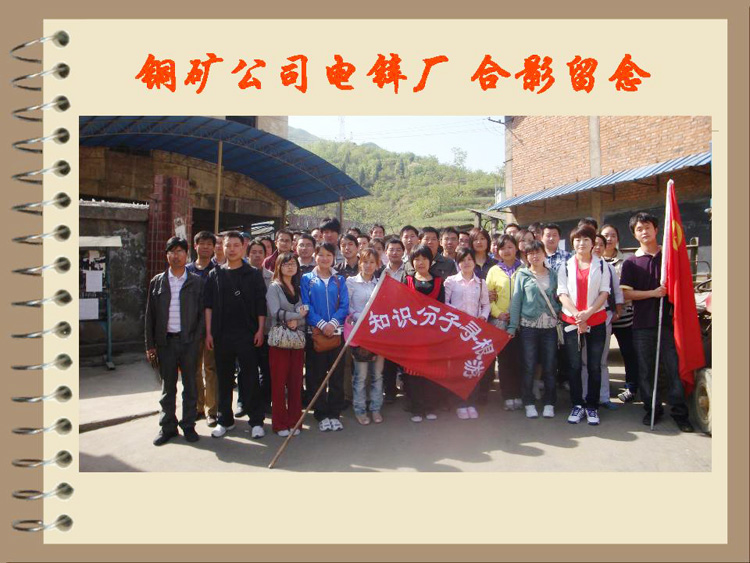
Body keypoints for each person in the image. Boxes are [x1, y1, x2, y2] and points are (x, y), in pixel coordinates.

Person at [619, 212, 694, 432]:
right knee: (646, 370)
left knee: (673, 368)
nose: (644, 232)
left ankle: (679, 412)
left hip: (669, 324)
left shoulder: (670, 257)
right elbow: (626, 295)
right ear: (634, 234)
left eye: (647, 227)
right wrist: (653, 293)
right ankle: (652, 409)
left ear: (656, 229)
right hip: (642, 325)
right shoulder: (631, 262)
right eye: (639, 229)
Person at [204, 231, 268, 439]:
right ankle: (225, 420)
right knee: (223, 378)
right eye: (227, 245)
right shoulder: (215, 274)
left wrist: (260, 329)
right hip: (222, 335)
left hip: (247, 334)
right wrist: (209, 333)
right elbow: (208, 306)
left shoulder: (253, 274)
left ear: (243, 248)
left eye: (235, 245)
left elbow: (261, 304)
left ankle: (256, 420)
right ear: (222, 248)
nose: (231, 249)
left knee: (250, 377)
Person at [145, 237, 204, 446]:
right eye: (172, 251)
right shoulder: (157, 282)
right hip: (166, 343)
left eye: (180, 251)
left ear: (187, 254)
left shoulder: (196, 281)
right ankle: (167, 427)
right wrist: (150, 345)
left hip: (189, 343)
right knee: (168, 387)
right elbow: (150, 316)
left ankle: (188, 425)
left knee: (190, 386)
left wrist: (196, 339)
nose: (176, 255)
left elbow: (202, 315)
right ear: (166, 255)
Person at [557, 225, 610, 426]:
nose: (582, 243)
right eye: (577, 240)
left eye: (586, 239)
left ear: (592, 243)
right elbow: (562, 293)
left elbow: (604, 292)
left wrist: (588, 313)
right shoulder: (565, 265)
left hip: (596, 320)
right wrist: (578, 316)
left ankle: (592, 406)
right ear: (573, 243)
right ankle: (577, 404)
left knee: (595, 366)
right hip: (572, 322)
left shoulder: (602, 265)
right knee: (574, 365)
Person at [508, 241, 561, 419]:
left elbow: (560, 298)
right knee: (528, 366)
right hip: (529, 327)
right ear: (526, 256)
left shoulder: (553, 274)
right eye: (530, 253)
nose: (534, 256)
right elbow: (516, 301)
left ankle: (549, 402)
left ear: (544, 254)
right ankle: (528, 402)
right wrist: (512, 326)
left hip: (550, 327)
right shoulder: (522, 275)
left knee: (550, 366)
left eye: (538, 252)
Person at [301, 242, 349, 432]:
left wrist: (333, 323)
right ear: (315, 256)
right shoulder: (307, 279)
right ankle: (321, 414)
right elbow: (306, 305)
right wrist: (322, 324)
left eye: (328, 255)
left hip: (336, 334)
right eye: (320, 254)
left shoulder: (340, 279)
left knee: (336, 376)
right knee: (316, 375)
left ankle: (335, 413)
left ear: (334, 258)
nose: (324, 258)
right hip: (316, 334)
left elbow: (344, 305)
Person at [444, 247, 490, 419]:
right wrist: (457, 314)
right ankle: (459, 403)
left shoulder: (481, 283)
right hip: (456, 330)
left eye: (470, 259)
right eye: (463, 260)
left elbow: (486, 304)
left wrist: (483, 316)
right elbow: (444, 303)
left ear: (474, 262)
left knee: (473, 367)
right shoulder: (451, 281)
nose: (466, 263)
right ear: (458, 263)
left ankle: (471, 402)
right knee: (457, 368)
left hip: (474, 331)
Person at [580, 234, 624, 410]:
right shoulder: (579, 267)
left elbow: (617, 292)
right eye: (595, 244)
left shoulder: (608, 267)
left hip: (604, 318)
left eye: (601, 245)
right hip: (583, 319)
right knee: (585, 361)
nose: (597, 248)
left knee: (601, 361)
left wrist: (617, 311)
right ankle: (585, 396)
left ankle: (604, 397)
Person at [266, 252, 308, 437]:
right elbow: (275, 312)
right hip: (280, 341)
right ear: (278, 266)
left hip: (297, 340)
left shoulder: (298, 288)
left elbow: (306, 311)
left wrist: (296, 320)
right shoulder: (274, 287)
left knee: (295, 382)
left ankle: (295, 422)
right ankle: (280, 423)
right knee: (278, 383)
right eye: (286, 264)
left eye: (293, 264)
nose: (290, 267)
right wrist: (297, 316)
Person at [403, 245, 445, 422]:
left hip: (433, 335)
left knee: (432, 372)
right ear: (412, 262)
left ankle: (430, 406)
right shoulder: (407, 280)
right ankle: (416, 408)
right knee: (413, 373)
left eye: (424, 259)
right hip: (413, 336)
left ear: (431, 261)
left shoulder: (439, 282)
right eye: (417, 259)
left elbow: (443, 309)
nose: (420, 262)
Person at [600, 224, 639, 403]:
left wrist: (620, 307)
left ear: (617, 239)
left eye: (612, 235)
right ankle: (602, 388)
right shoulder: (595, 261)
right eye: (605, 235)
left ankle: (631, 386)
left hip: (624, 315)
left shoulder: (627, 261)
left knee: (628, 352)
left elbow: (629, 288)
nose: (609, 239)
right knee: (600, 354)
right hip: (602, 316)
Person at [346, 248, 385, 425]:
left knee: (377, 374)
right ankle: (360, 410)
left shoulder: (381, 284)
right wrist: (359, 316)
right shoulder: (351, 282)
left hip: (378, 334)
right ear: (359, 263)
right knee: (360, 376)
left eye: (372, 262)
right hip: (359, 334)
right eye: (365, 261)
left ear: (377, 265)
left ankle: (376, 408)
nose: (368, 265)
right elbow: (347, 306)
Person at [486, 234, 524, 409]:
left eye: (510, 247)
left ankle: (519, 393)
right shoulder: (494, 271)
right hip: (501, 322)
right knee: (505, 359)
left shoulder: (524, 269)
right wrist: (498, 313)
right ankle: (508, 395)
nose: (507, 251)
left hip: (522, 321)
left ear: (516, 248)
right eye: (502, 248)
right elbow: (487, 297)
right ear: (497, 251)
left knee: (520, 359)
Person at [186, 231, 218, 426]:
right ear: (195, 246)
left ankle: (211, 410)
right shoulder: (187, 270)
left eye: (209, 244)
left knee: (211, 369)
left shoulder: (218, 271)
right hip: (191, 327)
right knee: (194, 368)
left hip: (212, 327)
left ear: (214, 248)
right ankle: (198, 406)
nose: (205, 247)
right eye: (202, 243)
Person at [248, 239, 273, 416]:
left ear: (266, 255)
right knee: (247, 370)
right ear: (248, 254)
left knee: (266, 369)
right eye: (253, 252)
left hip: (267, 330)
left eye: (260, 252)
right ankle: (246, 402)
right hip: (246, 330)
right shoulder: (240, 275)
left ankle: (265, 402)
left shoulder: (272, 277)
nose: (257, 255)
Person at [380, 238, 406, 402]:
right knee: (388, 358)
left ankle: (407, 388)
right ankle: (390, 390)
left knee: (405, 357)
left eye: (398, 249)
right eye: (391, 249)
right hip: (387, 320)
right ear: (386, 252)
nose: (395, 252)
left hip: (405, 319)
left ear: (403, 252)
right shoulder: (380, 272)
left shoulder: (409, 270)